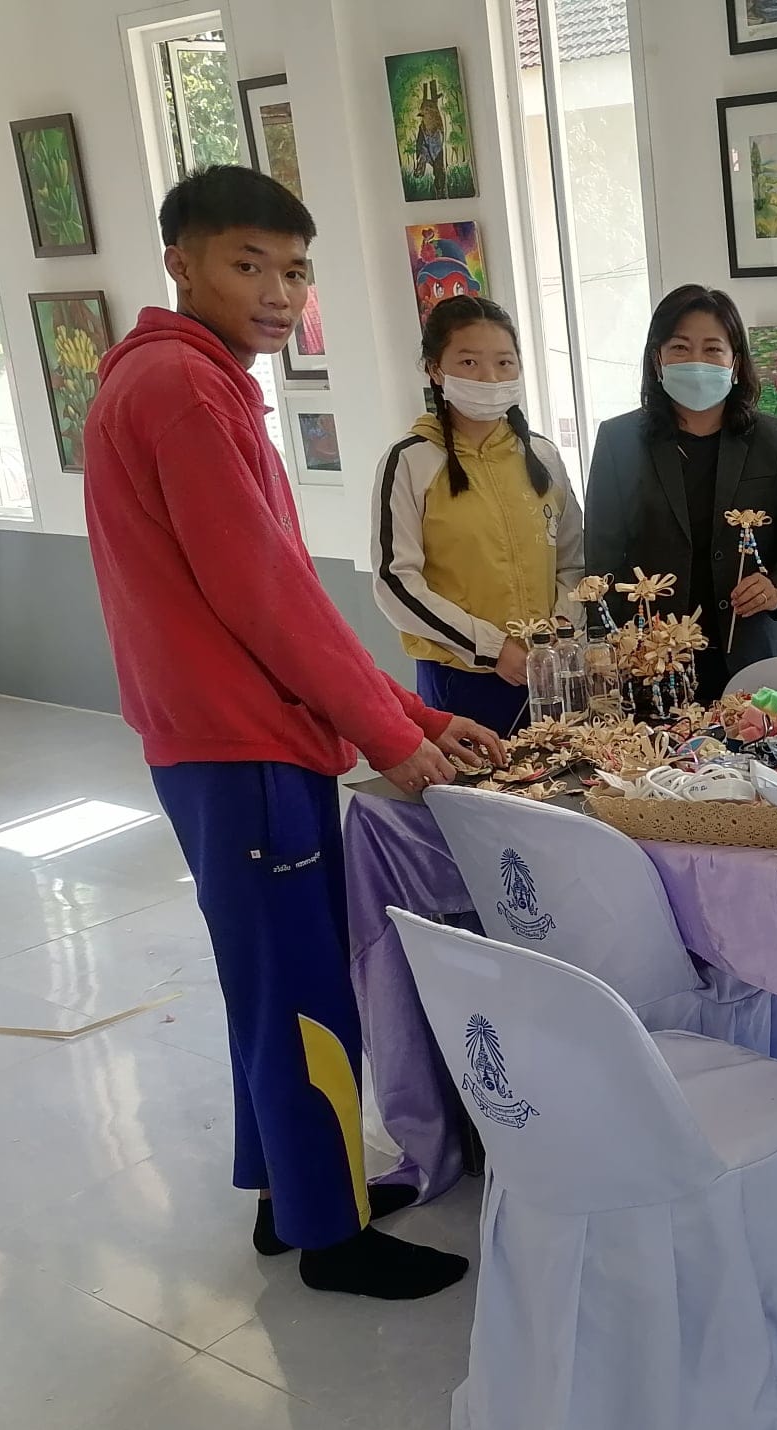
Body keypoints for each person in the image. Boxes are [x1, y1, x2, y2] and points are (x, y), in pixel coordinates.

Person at [83, 165, 496, 1301]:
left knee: (266, 979)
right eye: (248, 265)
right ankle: (329, 1231)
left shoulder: (182, 378)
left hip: (222, 741)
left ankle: (286, 1191)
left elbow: (286, 597)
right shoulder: (183, 388)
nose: (278, 294)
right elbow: (264, 600)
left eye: (296, 271)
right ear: (182, 263)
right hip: (242, 745)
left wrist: (411, 711)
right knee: (304, 986)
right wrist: (393, 740)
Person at [585, 285, 777, 701]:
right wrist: (604, 648)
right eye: (680, 347)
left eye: (713, 349)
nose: (696, 361)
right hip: (653, 661)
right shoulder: (619, 441)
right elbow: (600, 561)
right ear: (657, 359)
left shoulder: (773, 439)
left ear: (735, 364)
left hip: (755, 656)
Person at [372, 294, 582, 735]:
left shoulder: (542, 455)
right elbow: (396, 582)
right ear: (435, 369)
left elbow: (574, 561)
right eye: (469, 363)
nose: (490, 377)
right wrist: (491, 648)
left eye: (504, 363)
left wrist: (560, 630)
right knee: (478, 780)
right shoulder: (411, 460)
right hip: (462, 678)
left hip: (548, 671)